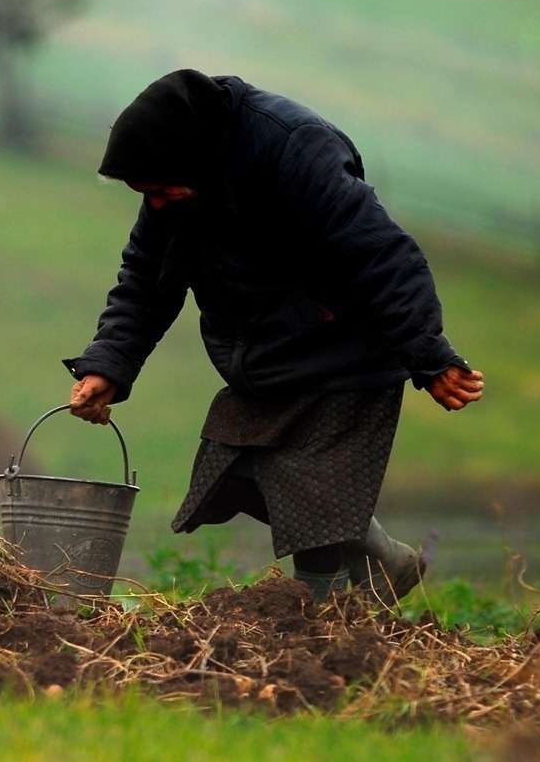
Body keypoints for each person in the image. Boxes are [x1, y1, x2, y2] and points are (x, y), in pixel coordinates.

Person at [64, 70, 484, 603]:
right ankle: (382, 560)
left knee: (311, 493)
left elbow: (383, 255)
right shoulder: (173, 189)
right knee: (233, 472)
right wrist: (110, 364)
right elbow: (145, 280)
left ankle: (316, 626)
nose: (157, 204)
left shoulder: (294, 149)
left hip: (346, 349)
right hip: (266, 357)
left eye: (162, 190)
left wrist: (430, 356)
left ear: (195, 158)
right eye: (146, 195)